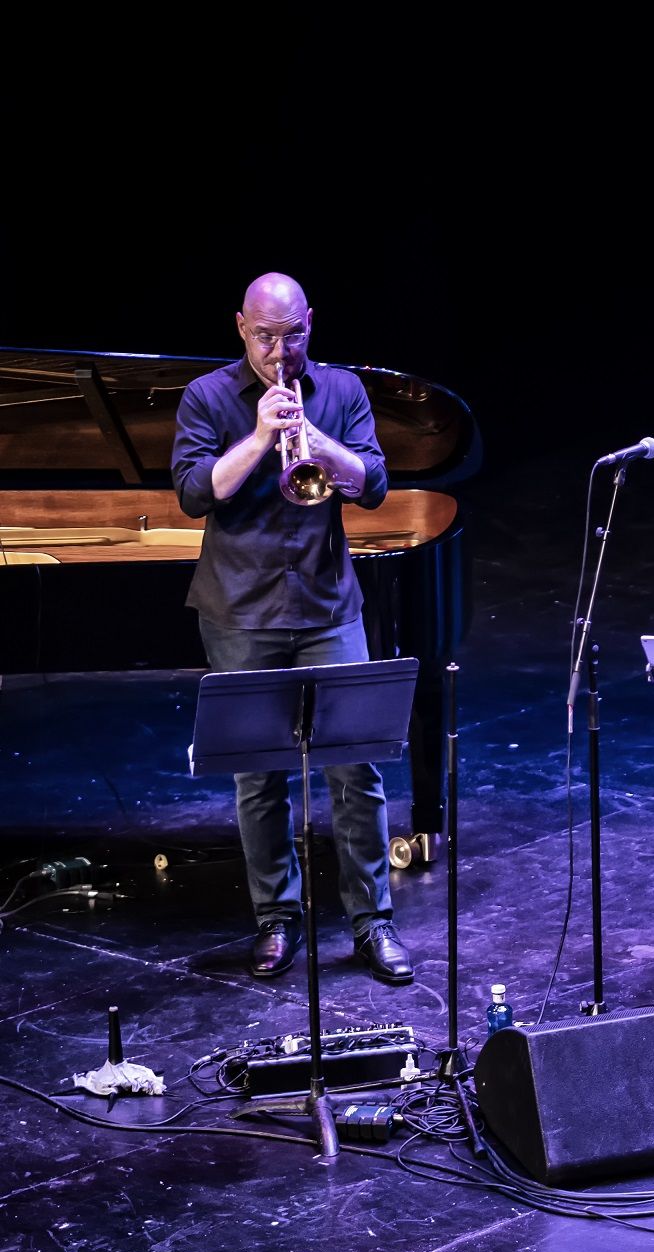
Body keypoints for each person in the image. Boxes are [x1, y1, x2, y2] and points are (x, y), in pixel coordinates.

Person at [170, 272, 411, 985]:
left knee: (355, 768)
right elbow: (191, 493)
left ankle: (373, 923)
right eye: (266, 336)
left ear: (312, 323)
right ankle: (277, 919)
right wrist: (259, 436)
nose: (281, 350)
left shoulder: (340, 391)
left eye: (294, 334)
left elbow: (372, 482)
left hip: (328, 607)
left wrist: (315, 439)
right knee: (259, 778)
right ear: (240, 326)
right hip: (240, 609)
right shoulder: (207, 398)